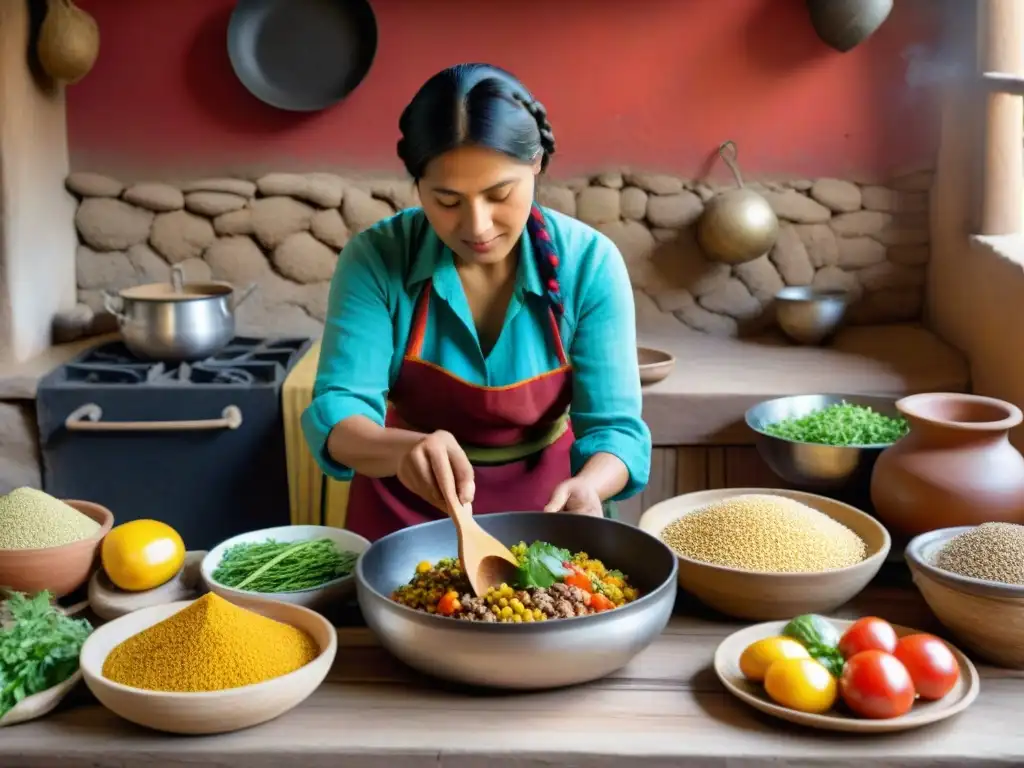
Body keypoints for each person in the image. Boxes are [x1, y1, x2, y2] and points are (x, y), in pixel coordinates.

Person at [301, 63, 651, 541]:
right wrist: (403, 451)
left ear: (536, 164)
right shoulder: (376, 259)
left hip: (546, 513)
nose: (477, 225)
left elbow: (616, 430)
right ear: (417, 183)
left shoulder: (588, 265)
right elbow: (339, 413)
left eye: (499, 194)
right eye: (447, 201)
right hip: (403, 513)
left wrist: (591, 485)